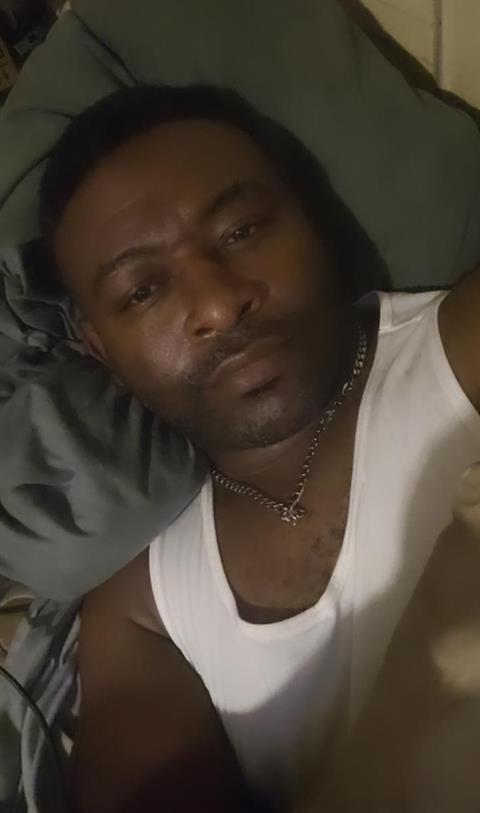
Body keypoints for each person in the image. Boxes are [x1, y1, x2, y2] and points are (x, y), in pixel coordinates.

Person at [38, 84, 480, 813]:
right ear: (100, 349)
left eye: (242, 231)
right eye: (142, 291)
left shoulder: (461, 347)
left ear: (311, 219)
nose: (218, 304)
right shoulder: (143, 606)